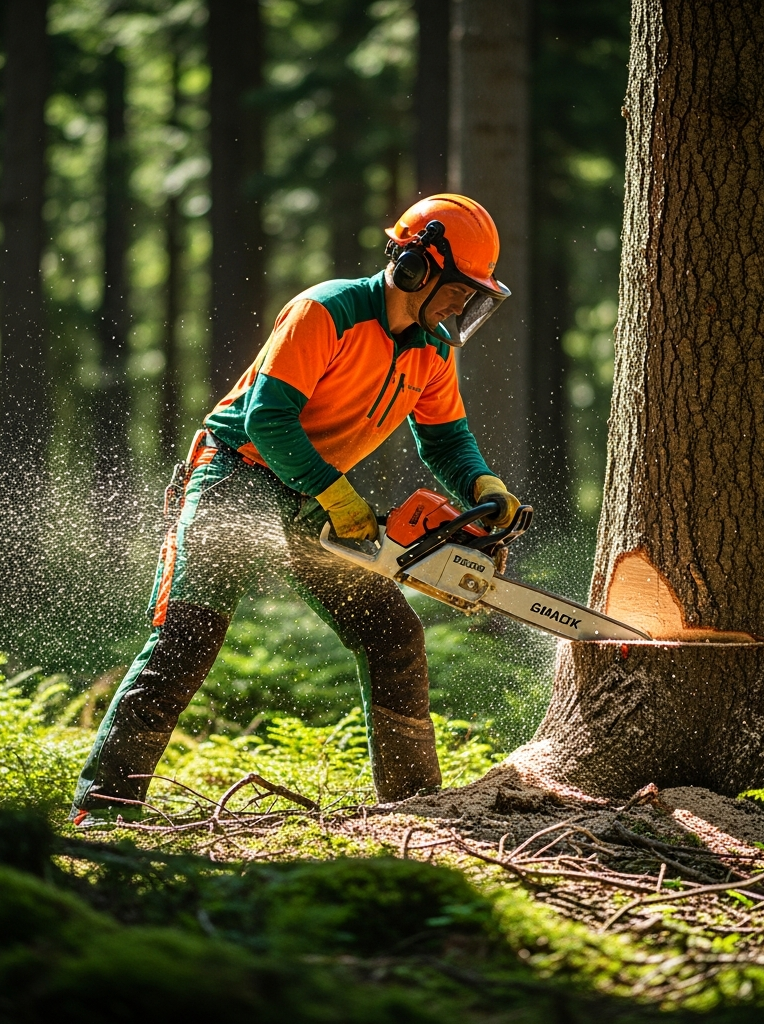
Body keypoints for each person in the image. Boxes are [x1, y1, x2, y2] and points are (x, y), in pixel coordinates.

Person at [70, 193, 521, 822]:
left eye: (472, 293)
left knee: (391, 634)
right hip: (239, 470)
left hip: (315, 488)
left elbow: (444, 438)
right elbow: (269, 418)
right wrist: (334, 492)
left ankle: (415, 806)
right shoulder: (325, 312)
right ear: (417, 267)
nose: (459, 303)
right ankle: (106, 805)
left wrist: (482, 484)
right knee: (189, 636)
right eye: (455, 287)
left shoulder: (432, 349)